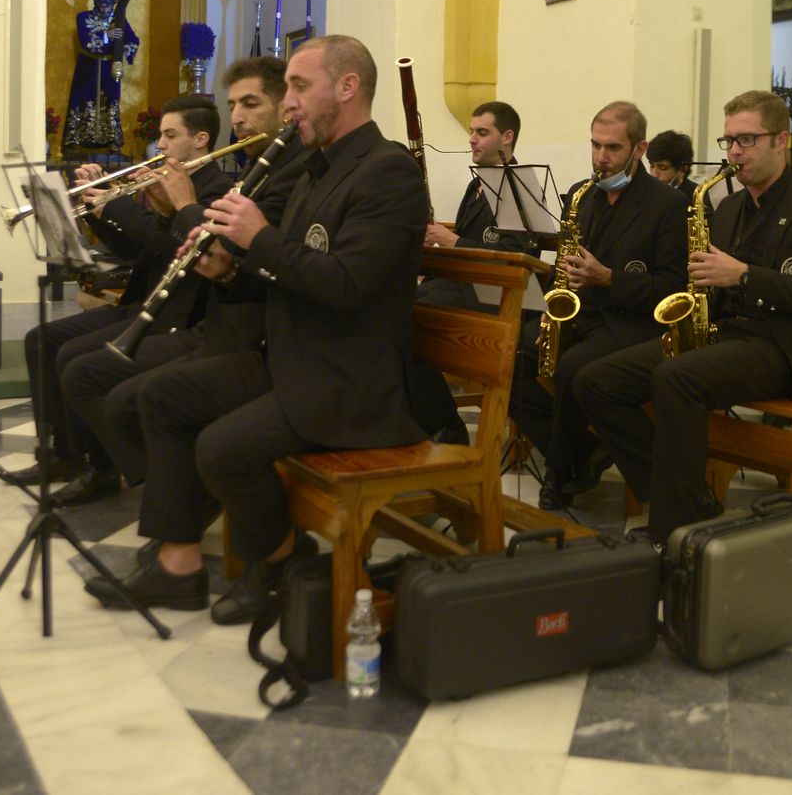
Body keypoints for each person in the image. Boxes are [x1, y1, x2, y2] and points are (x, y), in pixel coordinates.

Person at [83, 34, 427, 622]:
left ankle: (283, 561)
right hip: (293, 357)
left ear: (347, 88)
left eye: (299, 86)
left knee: (223, 446)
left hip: (350, 379)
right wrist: (224, 268)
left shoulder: (387, 171)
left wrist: (258, 237)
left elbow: (346, 287)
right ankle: (179, 566)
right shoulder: (318, 170)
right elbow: (278, 277)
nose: (288, 103)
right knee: (163, 397)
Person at [574, 90, 792, 544]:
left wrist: (744, 276)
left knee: (676, 377)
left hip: (791, 347)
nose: (733, 152)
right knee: (596, 381)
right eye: (728, 141)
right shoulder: (727, 207)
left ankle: (675, 522)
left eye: (746, 140)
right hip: (729, 336)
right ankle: (685, 494)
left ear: (781, 140)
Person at [48, 57, 295, 507]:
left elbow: (217, 254)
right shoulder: (252, 176)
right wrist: (127, 210)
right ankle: (139, 481)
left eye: (250, 103)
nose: (237, 117)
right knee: (61, 350)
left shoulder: (228, 181)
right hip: (179, 308)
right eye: (233, 104)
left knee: (100, 377)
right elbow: (149, 250)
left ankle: (163, 489)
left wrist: (176, 207)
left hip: (208, 323)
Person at [6, 94, 233, 490]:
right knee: (41, 339)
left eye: (170, 135)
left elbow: (179, 252)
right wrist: (99, 209)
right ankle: (64, 454)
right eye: (160, 134)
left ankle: (104, 467)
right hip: (139, 301)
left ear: (200, 140)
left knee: (75, 356)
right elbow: (134, 250)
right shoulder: (164, 181)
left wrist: (121, 207)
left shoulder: (218, 189)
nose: (159, 144)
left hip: (175, 315)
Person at [507, 101, 686, 510]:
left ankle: (559, 470)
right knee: (511, 354)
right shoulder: (580, 196)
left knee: (573, 367)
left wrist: (609, 278)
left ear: (639, 149)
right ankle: (586, 448)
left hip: (633, 322)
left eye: (612, 148)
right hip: (583, 314)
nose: (600, 158)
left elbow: (673, 287)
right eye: (595, 145)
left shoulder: (668, 206)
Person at [418, 100, 532, 309]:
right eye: (471, 132)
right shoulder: (476, 184)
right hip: (463, 280)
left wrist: (450, 240)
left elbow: (511, 256)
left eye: (482, 132)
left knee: (414, 307)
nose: (471, 140)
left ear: (507, 137)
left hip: (494, 290)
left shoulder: (517, 187)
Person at [63, 0, 139, 153]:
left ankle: (112, 140)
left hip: (109, 68)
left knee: (111, 101)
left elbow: (133, 39)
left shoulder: (119, 19)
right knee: (82, 99)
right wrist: (107, 35)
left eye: (109, 7)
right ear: (96, 5)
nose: (105, 10)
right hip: (88, 67)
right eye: (102, 6)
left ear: (113, 6)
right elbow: (86, 40)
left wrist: (126, 48)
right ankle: (75, 140)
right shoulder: (84, 17)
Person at [646, 130, 699, 197]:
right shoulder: (644, 192)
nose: (654, 174)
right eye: (652, 166)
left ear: (683, 169)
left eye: (662, 168)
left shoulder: (698, 196)